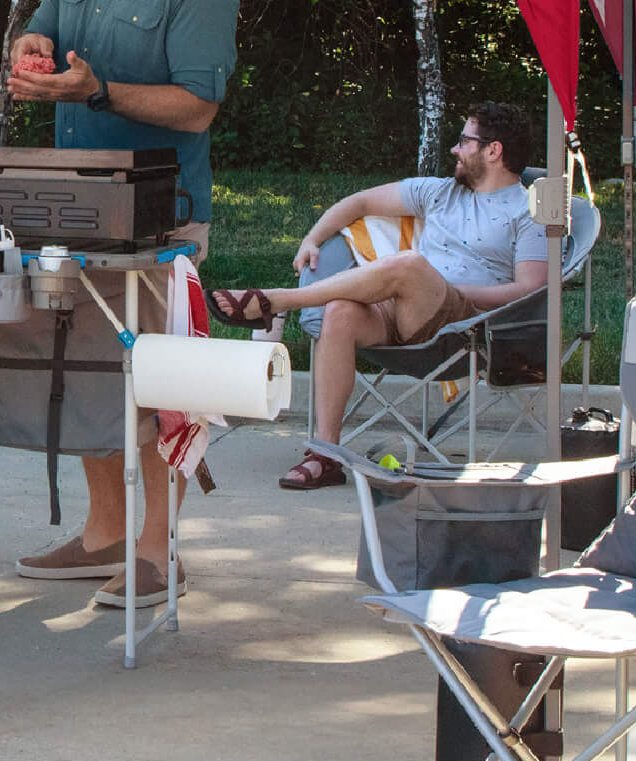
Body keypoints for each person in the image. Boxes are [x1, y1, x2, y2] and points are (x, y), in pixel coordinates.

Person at [1, 0, 238, 612]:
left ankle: (156, 548)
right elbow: (46, 24)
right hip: (73, 206)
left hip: (158, 220)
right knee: (85, 375)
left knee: (152, 383)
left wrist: (96, 90)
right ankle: (103, 532)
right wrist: (33, 48)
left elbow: (199, 105)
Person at [208, 100, 547, 489]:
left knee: (408, 265)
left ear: (493, 150)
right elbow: (361, 202)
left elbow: (531, 289)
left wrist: (448, 288)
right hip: (404, 312)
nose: (454, 149)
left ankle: (276, 302)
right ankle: (326, 454)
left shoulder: (528, 211)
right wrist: (312, 239)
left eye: (462, 141)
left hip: (464, 324)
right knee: (339, 312)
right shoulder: (439, 193)